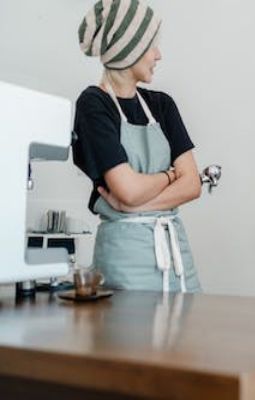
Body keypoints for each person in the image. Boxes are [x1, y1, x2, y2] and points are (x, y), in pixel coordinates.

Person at [72, 0, 202, 293]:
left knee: (190, 323)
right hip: (125, 261)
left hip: (176, 258)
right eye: (151, 46)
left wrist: (131, 206)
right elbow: (127, 190)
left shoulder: (162, 105)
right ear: (128, 50)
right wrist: (171, 175)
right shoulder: (94, 105)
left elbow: (193, 185)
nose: (159, 55)